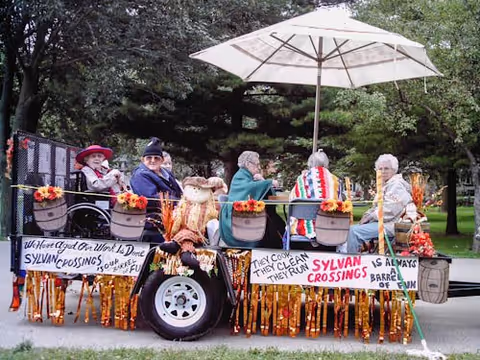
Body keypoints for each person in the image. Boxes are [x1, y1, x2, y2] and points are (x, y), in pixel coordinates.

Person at [339, 154, 412, 254]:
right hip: (384, 223)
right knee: (352, 228)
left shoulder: (396, 185)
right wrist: (367, 214)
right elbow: (377, 206)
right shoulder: (386, 184)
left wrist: (371, 216)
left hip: (392, 225)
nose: (383, 171)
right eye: (380, 168)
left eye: (386, 168)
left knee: (354, 232)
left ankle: (351, 261)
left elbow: (390, 210)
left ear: (394, 170)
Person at [219, 151, 284, 248]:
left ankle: (279, 242)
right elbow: (249, 188)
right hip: (235, 219)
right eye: (257, 164)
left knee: (274, 219)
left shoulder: (247, 176)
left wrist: (262, 180)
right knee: (272, 220)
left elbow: (253, 187)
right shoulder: (240, 176)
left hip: (243, 215)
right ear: (248, 164)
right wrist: (268, 182)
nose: (259, 168)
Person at [130, 137, 183, 243]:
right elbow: (151, 198)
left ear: (162, 160)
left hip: (173, 213)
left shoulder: (166, 173)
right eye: (149, 158)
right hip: (154, 218)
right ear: (143, 160)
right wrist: (179, 202)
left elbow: (178, 192)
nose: (153, 160)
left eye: (156, 158)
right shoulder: (140, 175)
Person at [288, 149, 342, 245]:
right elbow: (339, 202)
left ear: (310, 163)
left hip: (303, 226)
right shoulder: (335, 180)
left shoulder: (301, 179)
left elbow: (292, 200)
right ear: (326, 163)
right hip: (328, 225)